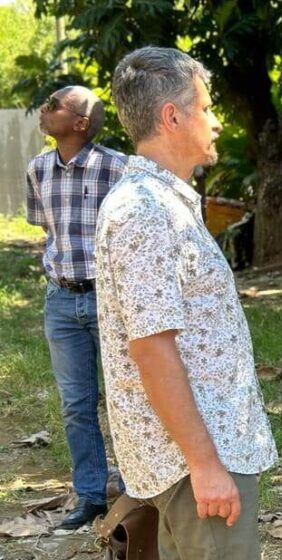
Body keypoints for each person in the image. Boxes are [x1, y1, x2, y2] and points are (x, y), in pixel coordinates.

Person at [96, 46, 277, 557]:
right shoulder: (144, 211)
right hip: (196, 465)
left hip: (200, 455)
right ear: (171, 116)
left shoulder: (161, 203)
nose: (216, 122)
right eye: (207, 107)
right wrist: (204, 465)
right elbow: (152, 347)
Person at [25, 85, 126, 530]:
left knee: (126, 397)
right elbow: (45, 228)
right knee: (76, 404)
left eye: (53, 106)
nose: (44, 111)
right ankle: (90, 495)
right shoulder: (38, 169)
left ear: (80, 123)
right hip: (61, 302)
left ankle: (135, 489)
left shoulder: (117, 169)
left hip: (111, 299)